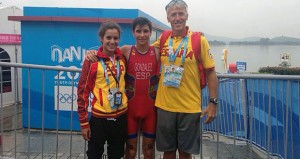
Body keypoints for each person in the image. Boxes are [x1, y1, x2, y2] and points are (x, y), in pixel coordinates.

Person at [151, 0, 219, 159]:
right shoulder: (163, 39)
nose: (177, 18)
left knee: (185, 152)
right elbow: (141, 51)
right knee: (167, 152)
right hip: (164, 106)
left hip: (189, 108)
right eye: (173, 15)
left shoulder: (198, 40)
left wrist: (213, 103)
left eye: (180, 14)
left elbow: (211, 73)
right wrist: (105, 52)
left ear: (187, 16)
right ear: (168, 18)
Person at [85, 17, 159, 159]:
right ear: (133, 33)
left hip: (150, 111)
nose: (142, 35)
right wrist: (92, 53)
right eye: (138, 31)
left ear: (150, 33)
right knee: (129, 152)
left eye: (145, 31)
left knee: (149, 151)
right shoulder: (125, 50)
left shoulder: (157, 52)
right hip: (130, 111)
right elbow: (106, 51)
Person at [77, 22, 128, 159]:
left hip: (121, 116)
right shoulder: (92, 61)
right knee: (94, 154)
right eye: (108, 38)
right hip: (99, 119)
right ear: (101, 38)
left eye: (115, 38)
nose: (112, 41)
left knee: (116, 154)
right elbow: (82, 92)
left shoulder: (122, 57)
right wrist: (84, 122)